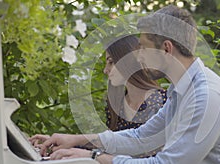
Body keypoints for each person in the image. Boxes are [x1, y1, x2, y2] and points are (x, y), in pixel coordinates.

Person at [35, 5, 220, 164]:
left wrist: (93, 158)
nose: (138, 57)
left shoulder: (206, 96)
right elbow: (141, 137)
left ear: (166, 49)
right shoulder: (183, 90)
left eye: (144, 48)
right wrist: (78, 140)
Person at [30, 35, 167, 156]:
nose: (105, 70)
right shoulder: (118, 104)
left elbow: (143, 155)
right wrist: (58, 144)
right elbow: (111, 146)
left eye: (111, 62)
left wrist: (82, 151)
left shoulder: (160, 102)